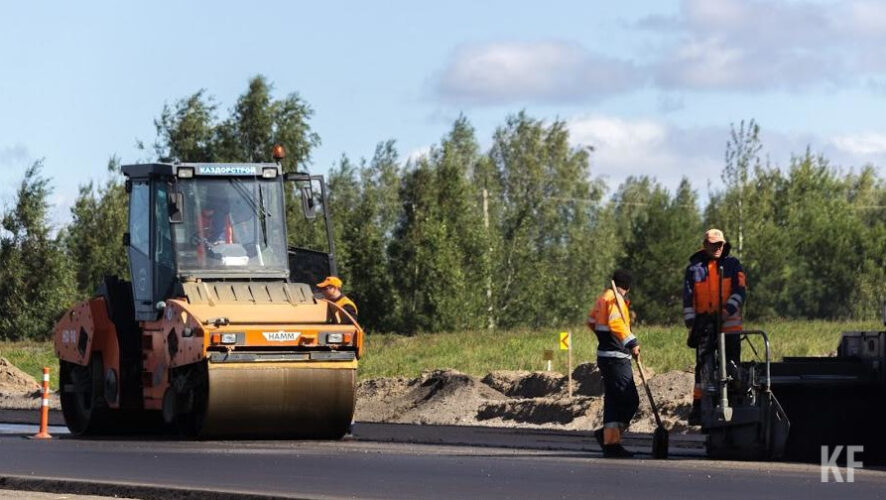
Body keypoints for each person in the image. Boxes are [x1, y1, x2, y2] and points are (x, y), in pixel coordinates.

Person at [683, 228, 746, 425]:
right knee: (703, 368)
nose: (717, 248)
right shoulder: (694, 268)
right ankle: (699, 405)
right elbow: (688, 299)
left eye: (720, 245)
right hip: (704, 327)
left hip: (729, 327)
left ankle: (735, 404)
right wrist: (692, 324)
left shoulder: (733, 265)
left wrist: (726, 312)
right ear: (705, 245)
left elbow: (740, 292)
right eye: (713, 245)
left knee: (732, 366)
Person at [587, 269, 640, 458]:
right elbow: (616, 323)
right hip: (616, 357)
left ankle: (610, 442)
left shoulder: (603, 298)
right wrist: (631, 342)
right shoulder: (614, 300)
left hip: (606, 355)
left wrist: (603, 339)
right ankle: (609, 439)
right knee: (630, 400)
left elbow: (591, 321)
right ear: (626, 287)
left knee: (613, 400)